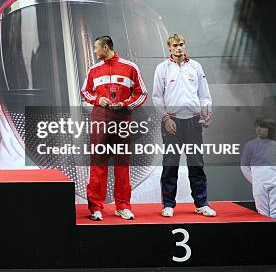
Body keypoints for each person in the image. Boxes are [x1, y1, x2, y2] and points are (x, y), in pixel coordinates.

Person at [80, 35, 147, 221]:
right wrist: (97, 99)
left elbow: (142, 94)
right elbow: (85, 91)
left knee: (122, 165)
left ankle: (123, 206)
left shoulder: (130, 67)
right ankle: (95, 208)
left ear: (105, 47)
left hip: (122, 121)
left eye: (96, 48)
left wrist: (126, 104)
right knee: (98, 164)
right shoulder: (94, 70)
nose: (94, 51)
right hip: (100, 120)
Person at [153, 33, 216, 217]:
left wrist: (207, 114)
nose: (179, 47)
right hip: (172, 122)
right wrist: (165, 118)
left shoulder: (195, 66)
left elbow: (204, 95)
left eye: (181, 44)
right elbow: (157, 97)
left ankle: (201, 203)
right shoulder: (162, 68)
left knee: (196, 163)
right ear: (169, 48)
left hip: (194, 121)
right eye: (175, 45)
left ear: (184, 45)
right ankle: (169, 205)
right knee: (170, 164)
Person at [240, 118, 276, 218]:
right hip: (259, 183)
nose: (259, 129)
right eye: (257, 127)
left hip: (274, 182)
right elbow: (244, 166)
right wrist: (255, 180)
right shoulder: (250, 145)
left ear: (270, 129)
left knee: (274, 213)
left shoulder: (274, 145)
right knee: (262, 213)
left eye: (263, 127)